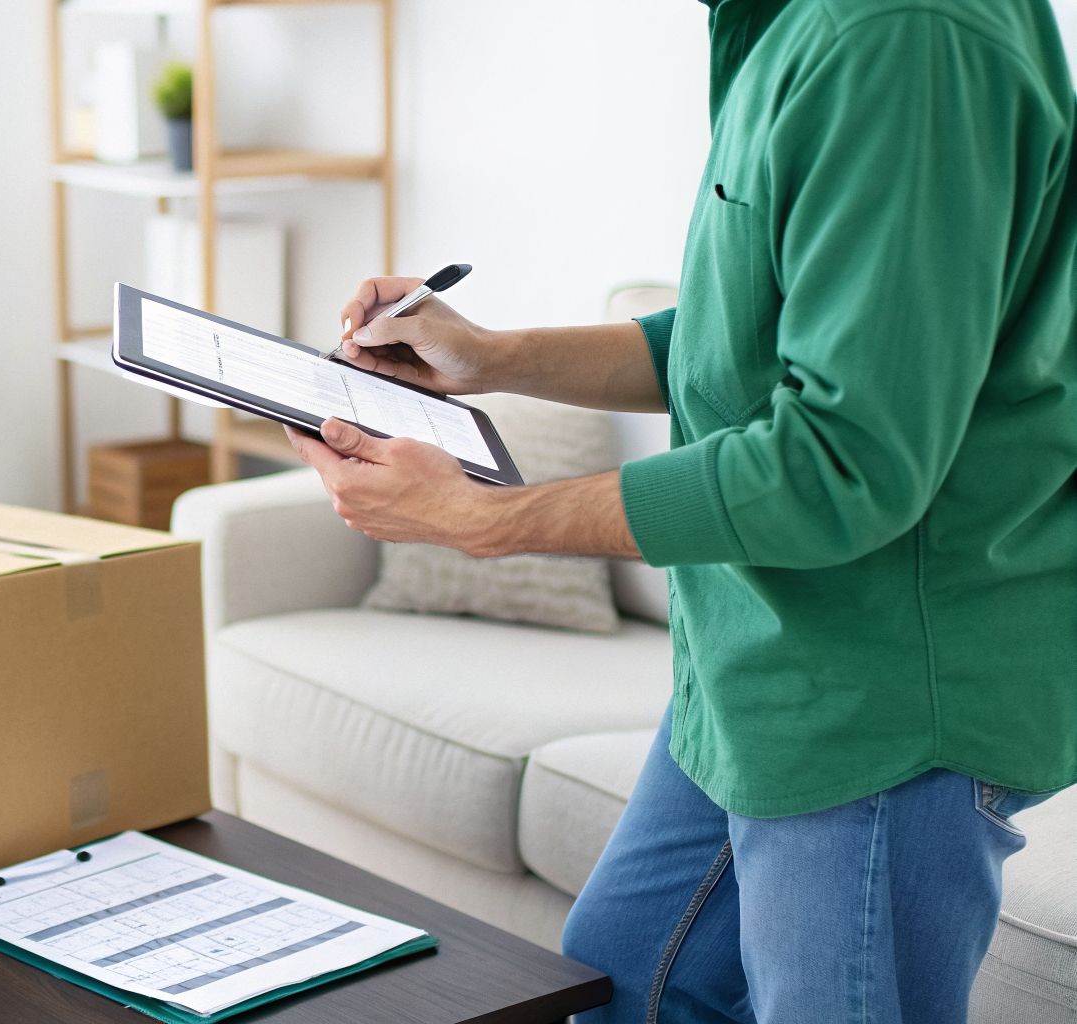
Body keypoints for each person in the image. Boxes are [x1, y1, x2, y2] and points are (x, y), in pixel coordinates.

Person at [284, 1, 1077, 1019]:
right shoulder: (781, 24)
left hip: (872, 710)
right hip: (748, 671)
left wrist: (486, 519)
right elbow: (736, 337)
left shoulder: (901, 39)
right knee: (618, 982)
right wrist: (493, 358)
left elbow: (840, 463)